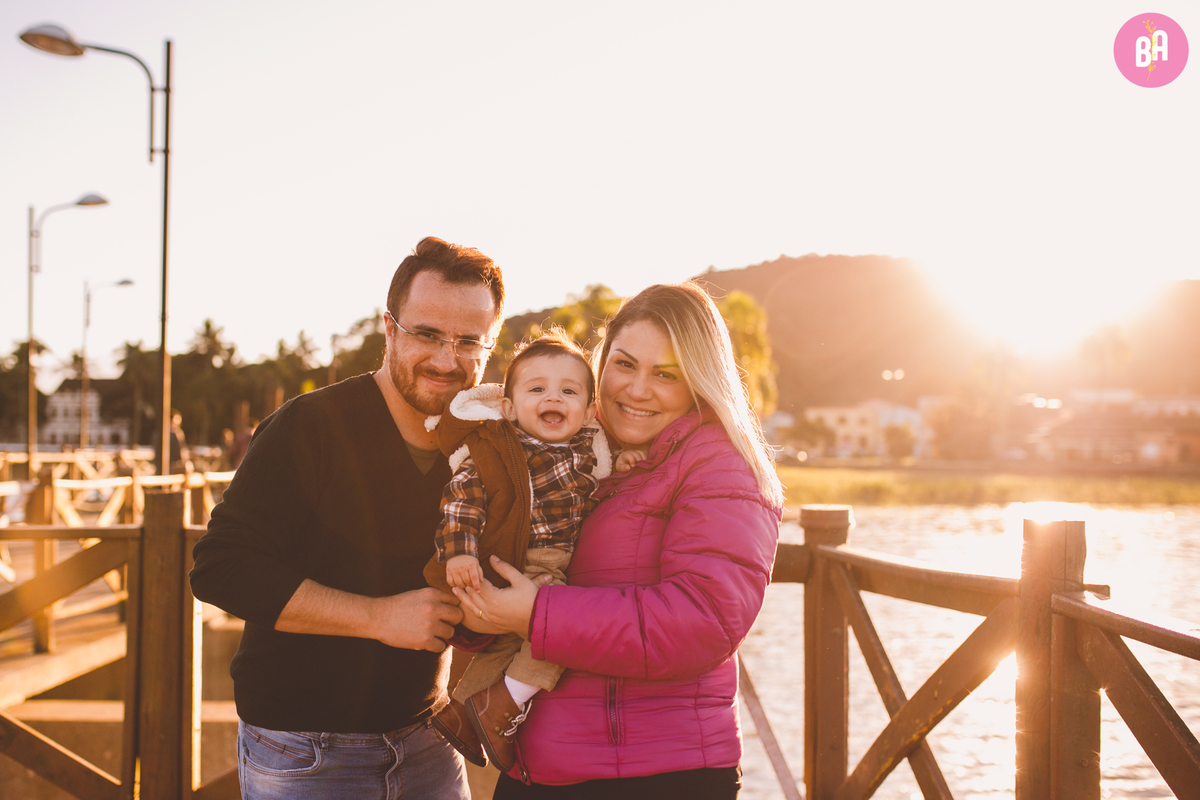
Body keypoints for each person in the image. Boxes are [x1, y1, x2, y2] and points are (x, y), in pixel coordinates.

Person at [189, 236, 505, 800]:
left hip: (429, 738)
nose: (444, 359)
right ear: (389, 328)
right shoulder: (309, 426)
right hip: (305, 748)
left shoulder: (485, 443)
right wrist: (376, 617)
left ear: (491, 344)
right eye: (426, 334)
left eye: (467, 342)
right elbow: (220, 568)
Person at [455, 281, 783, 799]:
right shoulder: (573, 448)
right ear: (601, 362)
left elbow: (704, 621)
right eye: (625, 364)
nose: (636, 389)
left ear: (699, 381)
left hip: (654, 776)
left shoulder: (718, 464)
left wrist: (534, 615)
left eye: (666, 375)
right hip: (535, 767)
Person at [424, 329, 630, 771]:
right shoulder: (500, 449)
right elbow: (462, 498)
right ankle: (501, 709)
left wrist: (624, 466)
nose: (552, 398)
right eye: (537, 389)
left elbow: (597, 501)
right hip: (518, 560)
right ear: (510, 407)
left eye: (568, 391)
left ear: (590, 411)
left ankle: (461, 711)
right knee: (558, 640)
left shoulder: (590, 453)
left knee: (503, 648)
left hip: (556, 563)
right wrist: (459, 552)